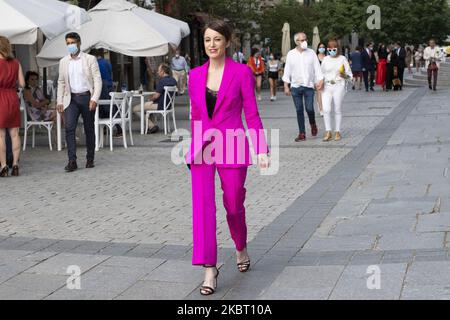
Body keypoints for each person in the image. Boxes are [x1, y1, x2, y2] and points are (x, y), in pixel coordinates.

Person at [186, 20, 269, 296]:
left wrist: (261, 150)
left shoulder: (242, 72)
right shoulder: (195, 75)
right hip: (202, 149)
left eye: (217, 40)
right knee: (203, 208)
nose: (212, 45)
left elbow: (252, 114)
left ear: (227, 42)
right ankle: (209, 269)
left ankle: (241, 245)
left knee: (234, 203)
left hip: (232, 144)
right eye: (208, 40)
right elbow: (196, 115)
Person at [56, 32, 102, 173]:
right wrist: (59, 101)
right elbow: (61, 82)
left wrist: (94, 98)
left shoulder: (89, 59)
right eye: (68, 43)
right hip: (71, 99)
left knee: (89, 129)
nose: (70, 45)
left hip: (87, 97)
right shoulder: (63, 61)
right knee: (69, 128)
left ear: (79, 43)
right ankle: (72, 161)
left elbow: (97, 80)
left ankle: (90, 158)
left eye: (72, 43)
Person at [282, 32, 324, 142]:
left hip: (309, 86)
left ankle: (313, 123)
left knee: (309, 108)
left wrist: (320, 80)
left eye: (305, 39)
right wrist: (286, 85)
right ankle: (302, 133)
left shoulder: (311, 53)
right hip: (295, 87)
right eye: (301, 40)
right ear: (296, 42)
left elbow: (317, 68)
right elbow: (287, 71)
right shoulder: (291, 54)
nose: (304, 41)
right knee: (299, 110)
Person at [0, 36, 25, 177]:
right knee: (15, 134)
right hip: (12, 98)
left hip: (0, 98)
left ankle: (3, 166)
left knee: (1, 135)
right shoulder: (16, 62)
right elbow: (22, 83)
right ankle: (15, 165)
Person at [320, 39, 352, 142]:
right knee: (326, 109)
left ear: (337, 49)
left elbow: (350, 76)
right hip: (327, 86)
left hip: (338, 85)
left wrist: (343, 74)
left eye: (333, 49)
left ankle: (337, 131)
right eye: (329, 49)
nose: (331, 51)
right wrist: (319, 82)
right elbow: (320, 73)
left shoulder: (342, 59)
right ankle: (328, 131)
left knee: (337, 109)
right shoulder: (325, 59)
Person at [132, 64, 177, 134]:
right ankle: (153, 125)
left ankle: (151, 126)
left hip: (160, 105)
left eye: (159, 71)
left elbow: (156, 96)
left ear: (163, 71)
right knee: (146, 106)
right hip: (168, 105)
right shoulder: (173, 80)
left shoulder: (162, 81)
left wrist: (149, 100)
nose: (157, 72)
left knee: (135, 109)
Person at [316, 43, 327, 116]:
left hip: (326, 77)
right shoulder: (315, 57)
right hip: (317, 77)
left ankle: (321, 105)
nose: (321, 49)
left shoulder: (327, 57)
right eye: (320, 47)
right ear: (318, 48)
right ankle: (321, 109)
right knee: (319, 92)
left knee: (324, 93)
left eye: (323, 47)